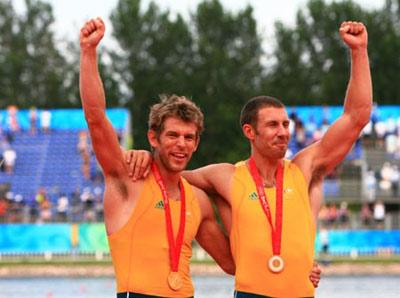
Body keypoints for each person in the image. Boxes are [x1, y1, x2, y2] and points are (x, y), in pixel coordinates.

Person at [127, 21, 371, 297]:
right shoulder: (225, 176)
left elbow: (357, 116)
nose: (283, 133)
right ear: (249, 131)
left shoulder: (303, 168)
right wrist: (145, 156)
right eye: (273, 125)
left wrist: (359, 51)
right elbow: (169, 171)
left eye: (285, 124)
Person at [79, 17, 234, 298]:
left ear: (196, 143)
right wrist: (89, 52)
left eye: (189, 137)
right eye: (173, 135)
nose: (181, 144)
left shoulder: (198, 200)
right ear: (154, 138)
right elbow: (95, 118)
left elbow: (232, 263)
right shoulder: (128, 179)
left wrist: (296, 265)